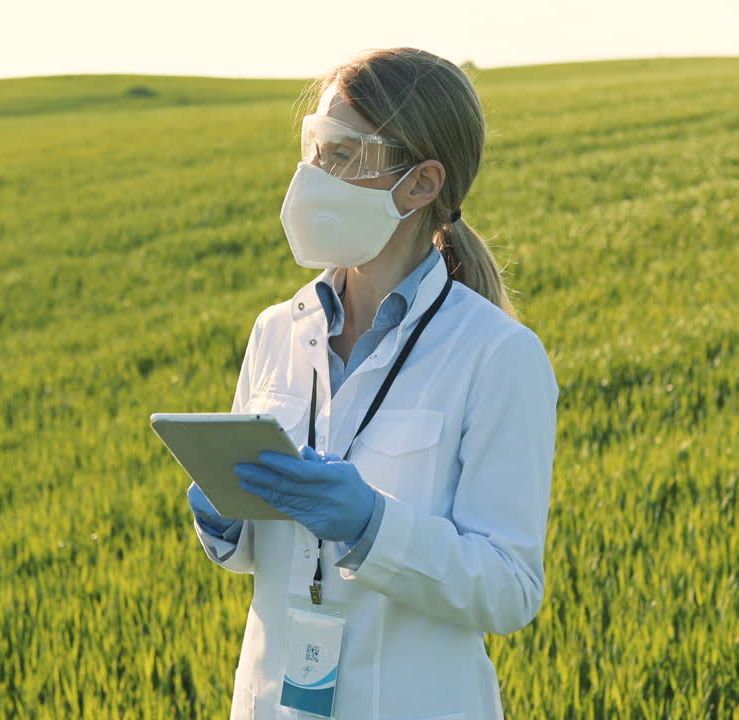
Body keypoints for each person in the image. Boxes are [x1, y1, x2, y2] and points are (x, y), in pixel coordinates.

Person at [186, 47, 558, 720]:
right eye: (314, 147)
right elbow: (258, 558)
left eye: (341, 153)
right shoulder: (277, 331)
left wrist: (372, 526)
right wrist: (224, 521)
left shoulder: (498, 356)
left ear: (420, 185)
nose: (312, 173)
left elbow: (510, 588)